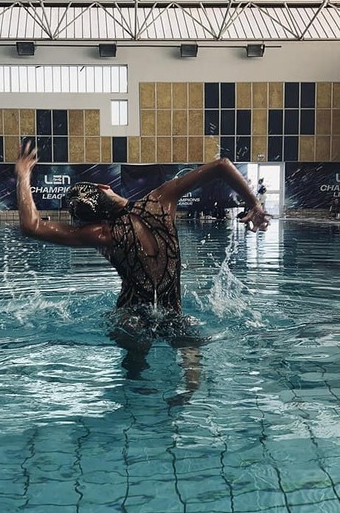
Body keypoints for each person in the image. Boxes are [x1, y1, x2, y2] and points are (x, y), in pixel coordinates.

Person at [15, 143, 269, 403]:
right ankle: (191, 387)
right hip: (172, 314)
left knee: (131, 337)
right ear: (104, 187)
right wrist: (254, 205)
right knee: (186, 335)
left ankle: (138, 387)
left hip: (131, 316)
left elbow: (31, 226)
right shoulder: (160, 201)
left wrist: (23, 174)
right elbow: (222, 165)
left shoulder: (103, 234)